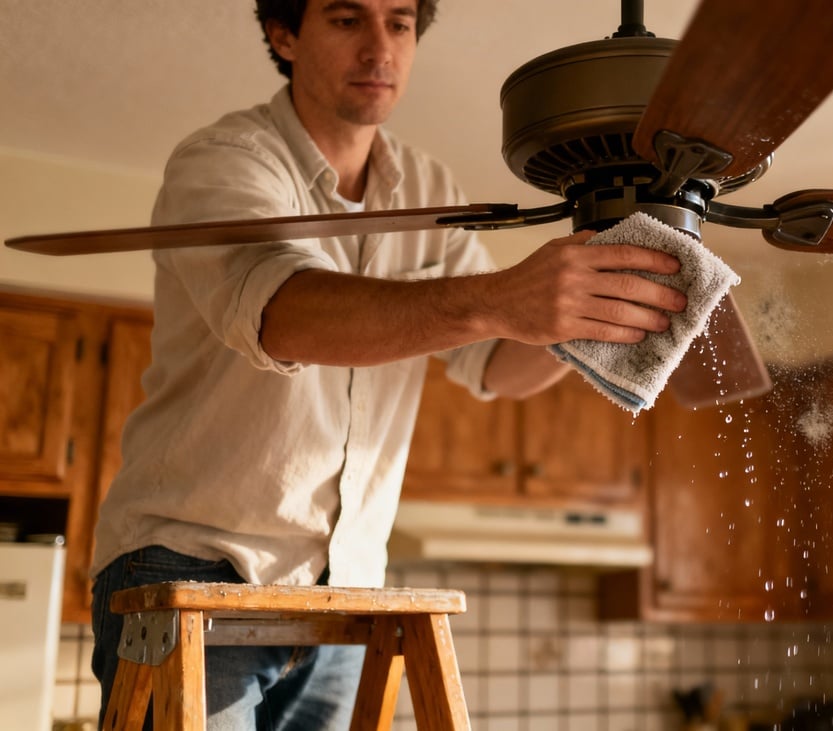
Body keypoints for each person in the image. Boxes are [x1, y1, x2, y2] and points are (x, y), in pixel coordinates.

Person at [88, 0, 688, 728]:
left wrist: (591, 307)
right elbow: (283, 313)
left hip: (348, 593)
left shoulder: (428, 189)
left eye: (399, 22)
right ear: (284, 34)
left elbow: (497, 361)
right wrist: (503, 295)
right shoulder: (224, 161)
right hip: (192, 568)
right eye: (347, 19)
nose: (381, 48)